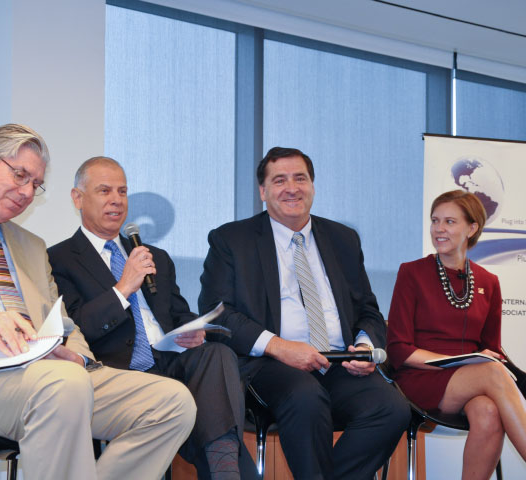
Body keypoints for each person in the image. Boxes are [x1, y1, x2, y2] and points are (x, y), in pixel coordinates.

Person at [0, 124, 196, 480]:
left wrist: (77, 355)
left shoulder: (31, 245)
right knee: (63, 385)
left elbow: (63, 322)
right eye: (20, 175)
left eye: (35, 184)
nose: (26, 192)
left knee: (172, 403)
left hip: (49, 375)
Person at [198, 146, 409, 479]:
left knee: (392, 409)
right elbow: (217, 314)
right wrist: (281, 347)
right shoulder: (231, 240)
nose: (292, 188)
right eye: (279, 180)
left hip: (339, 361)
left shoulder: (343, 238)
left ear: (312, 185)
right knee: (306, 397)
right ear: (263, 192)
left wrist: (367, 347)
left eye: (300, 178)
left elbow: (367, 307)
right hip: (270, 364)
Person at [47, 156, 257, 480]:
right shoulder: (58, 259)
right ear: (78, 198)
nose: (116, 200)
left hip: (169, 362)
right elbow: (76, 329)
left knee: (216, 354)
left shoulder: (153, 256)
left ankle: (224, 468)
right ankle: (225, 469)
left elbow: (178, 312)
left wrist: (193, 331)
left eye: (122, 191)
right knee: (211, 397)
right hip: (117, 372)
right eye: (105, 191)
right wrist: (122, 289)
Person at [387, 189, 526, 480]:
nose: (439, 229)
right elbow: (399, 348)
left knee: (488, 413)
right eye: (435, 220)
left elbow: (491, 348)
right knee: (493, 372)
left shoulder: (489, 282)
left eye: (449, 222)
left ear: (472, 228)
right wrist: (460, 361)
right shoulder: (411, 273)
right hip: (420, 378)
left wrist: (481, 360)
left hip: (471, 381)